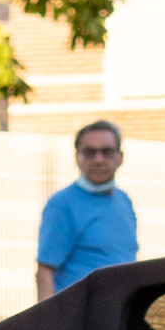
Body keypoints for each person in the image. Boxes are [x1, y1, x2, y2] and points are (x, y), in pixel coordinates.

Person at [35, 122, 139, 300]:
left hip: (120, 312)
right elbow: (45, 271)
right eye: (90, 152)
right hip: (80, 317)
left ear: (120, 157)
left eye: (107, 151)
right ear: (77, 158)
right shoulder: (62, 204)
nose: (99, 159)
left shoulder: (124, 200)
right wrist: (50, 324)